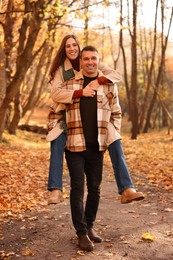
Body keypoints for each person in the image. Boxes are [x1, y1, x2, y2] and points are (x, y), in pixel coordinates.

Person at [47, 34, 144, 205]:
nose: (72, 49)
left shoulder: (91, 60)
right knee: (56, 141)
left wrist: (98, 80)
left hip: (100, 117)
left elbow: (116, 76)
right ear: (64, 49)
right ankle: (55, 188)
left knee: (116, 140)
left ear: (79, 47)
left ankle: (127, 188)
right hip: (65, 115)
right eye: (68, 46)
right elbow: (55, 94)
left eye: (74, 45)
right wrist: (80, 92)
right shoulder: (61, 70)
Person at [62, 45, 122, 251]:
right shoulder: (70, 85)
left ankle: (89, 227)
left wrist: (111, 136)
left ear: (98, 60)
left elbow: (116, 113)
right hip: (74, 146)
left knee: (95, 189)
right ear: (81, 61)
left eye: (93, 59)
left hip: (97, 147)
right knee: (78, 189)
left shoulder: (108, 85)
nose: (89, 62)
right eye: (86, 59)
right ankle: (80, 233)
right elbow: (54, 107)